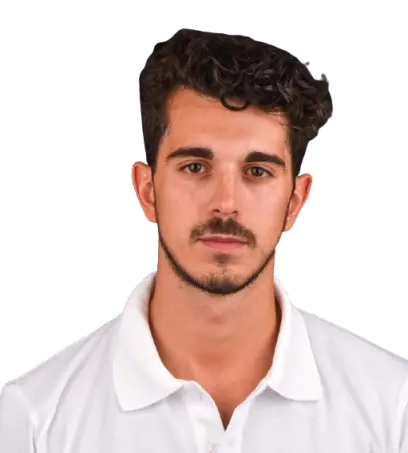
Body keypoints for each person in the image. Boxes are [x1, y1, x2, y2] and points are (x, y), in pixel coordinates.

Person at [0, 29, 406, 453]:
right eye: (195, 167)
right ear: (147, 191)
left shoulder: (392, 407)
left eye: (257, 172)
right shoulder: (36, 419)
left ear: (295, 201)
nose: (225, 204)